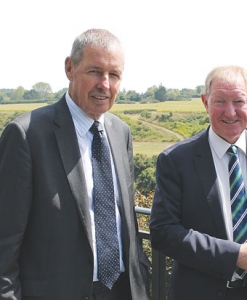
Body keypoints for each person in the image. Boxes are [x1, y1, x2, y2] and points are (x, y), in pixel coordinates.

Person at [0, 29, 150, 300]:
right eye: (94, 71)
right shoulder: (26, 135)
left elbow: (125, 221)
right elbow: (4, 243)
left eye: (114, 75)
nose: (104, 84)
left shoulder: (121, 133)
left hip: (120, 291)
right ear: (70, 68)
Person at [150, 65, 247, 300]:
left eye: (238, 101)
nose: (230, 112)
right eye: (220, 101)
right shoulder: (176, 159)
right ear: (205, 102)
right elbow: (163, 231)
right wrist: (235, 255)